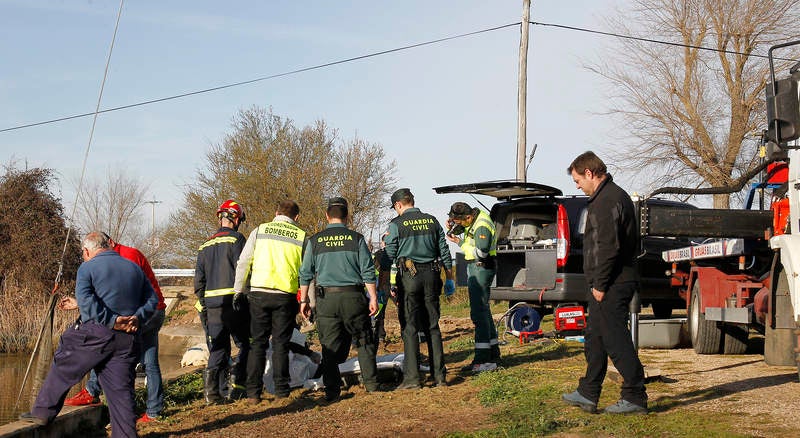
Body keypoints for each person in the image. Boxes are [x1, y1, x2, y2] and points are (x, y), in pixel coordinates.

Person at [19, 231, 158, 437]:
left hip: (96, 333)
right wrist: (137, 317)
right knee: (121, 393)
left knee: (64, 363)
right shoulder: (133, 267)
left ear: (86, 250)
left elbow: (85, 301)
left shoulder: (87, 267)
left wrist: (111, 321)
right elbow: (152, 299)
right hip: (128, 338)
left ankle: (42, 412)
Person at [561, 151, 648, 414]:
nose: (577, 185)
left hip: (612, 283)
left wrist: (599, 284)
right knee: (595, 338)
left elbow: (608, 247)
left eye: (577, 180)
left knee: (615, 340)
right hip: (607, 281)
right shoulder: (607, 198)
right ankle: (588, 392)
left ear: (589, 173)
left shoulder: (607, 200)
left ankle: (634, 397)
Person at [64, 233, 166, 423]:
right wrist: (80, 303)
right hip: (153, 309)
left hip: (145, 313)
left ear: (109, 244)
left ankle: (93, 392)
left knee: (106, 343)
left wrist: (120, 321)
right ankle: (154, 411)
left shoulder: (126, 257)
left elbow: (123, 294)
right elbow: (111, 295)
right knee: (149, 362)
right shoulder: (118, 257)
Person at [298, 197, 379, 403]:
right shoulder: (357, 239)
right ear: (347, 216)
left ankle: (332, 391)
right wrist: (373, 297)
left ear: (327, 215)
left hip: (327, 299)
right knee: (363, 340)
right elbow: (367, 270)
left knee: (329, 347)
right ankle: (371, 385)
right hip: (354, 296)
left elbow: (306, 273)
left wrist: (304, 301)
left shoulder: (315, 241)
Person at [234, 199, 306, 404]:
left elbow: (244, 261)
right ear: (296, 217)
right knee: (281, 344)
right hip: (285, 294)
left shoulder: (260, 230)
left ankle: (253, 393)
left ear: (276, 213)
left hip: (259, 293)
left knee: (258, 343)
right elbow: (306, 272)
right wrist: (307, 301)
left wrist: (238, 290)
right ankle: (282, 391)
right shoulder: (301, 236)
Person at [384, 188, 455, 389]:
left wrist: (386, 282)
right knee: (433, 326)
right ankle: (439, 376)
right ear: (412, 201)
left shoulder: (396, 224)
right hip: (432, 275)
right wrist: (449, 278)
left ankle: (413, 379)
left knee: (410, 328)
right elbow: (444, 251)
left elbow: (389, 254)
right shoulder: (432, 221)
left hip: (409, 277)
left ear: (399, 205)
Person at [195, 199, 251, 403]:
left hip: (212, 306)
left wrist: (204, 302)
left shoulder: (205, 245)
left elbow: (198, 281)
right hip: (234, 302)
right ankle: (238, 384)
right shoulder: (237, 240)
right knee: (247, 343)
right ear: (235, 218)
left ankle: (212, 393)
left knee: (218, 347)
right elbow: (243, 269)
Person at [445, 201, 500, 373]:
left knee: (478, 312)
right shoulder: (474, 219)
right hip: (478, 267)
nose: (459, 224)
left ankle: (482, 359)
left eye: (460, 221)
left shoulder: (481, 224)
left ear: (468, 217)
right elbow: (467, 231)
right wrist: (454, 225)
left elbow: (482, 252)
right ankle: (493, 354)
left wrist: (461, 244)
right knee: (484, 311)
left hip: (481, 267)